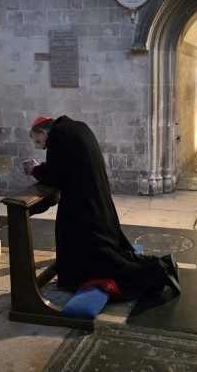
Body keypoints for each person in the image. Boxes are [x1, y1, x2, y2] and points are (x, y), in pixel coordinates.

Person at [24, 115, 181, 299]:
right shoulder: (77, 126)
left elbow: (55, 174)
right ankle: (161, 264)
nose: (40, 146)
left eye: (38, 140)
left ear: (43, 132)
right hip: (96, 198)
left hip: (83, 205)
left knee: (101, 261)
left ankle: (156, 273)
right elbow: (66, 165)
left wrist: (35, 169)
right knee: (109, 251)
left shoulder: (58, 134)